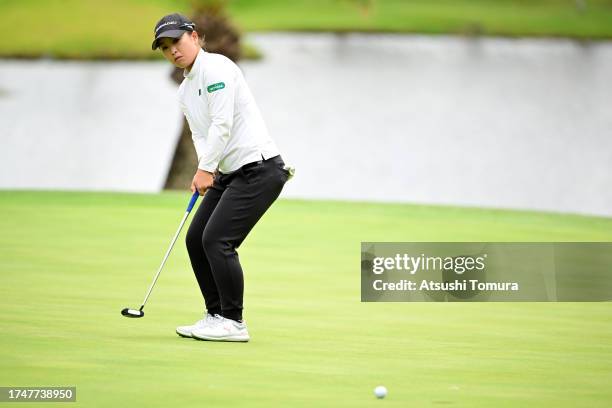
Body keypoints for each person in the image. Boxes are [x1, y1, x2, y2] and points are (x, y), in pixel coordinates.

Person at [151, 13, 292, 342]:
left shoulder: (218, 69)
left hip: (259, 168)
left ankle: (234, 322)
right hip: (227, 173)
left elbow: (222, 124)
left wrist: (204, 169)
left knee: (217, 241)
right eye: (165, 47)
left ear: (196, 36)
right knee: (195, 240)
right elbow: (202, 136)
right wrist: (207, 167)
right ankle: (215, 315)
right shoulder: (185, 91)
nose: (173, 50)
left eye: (178, 41)